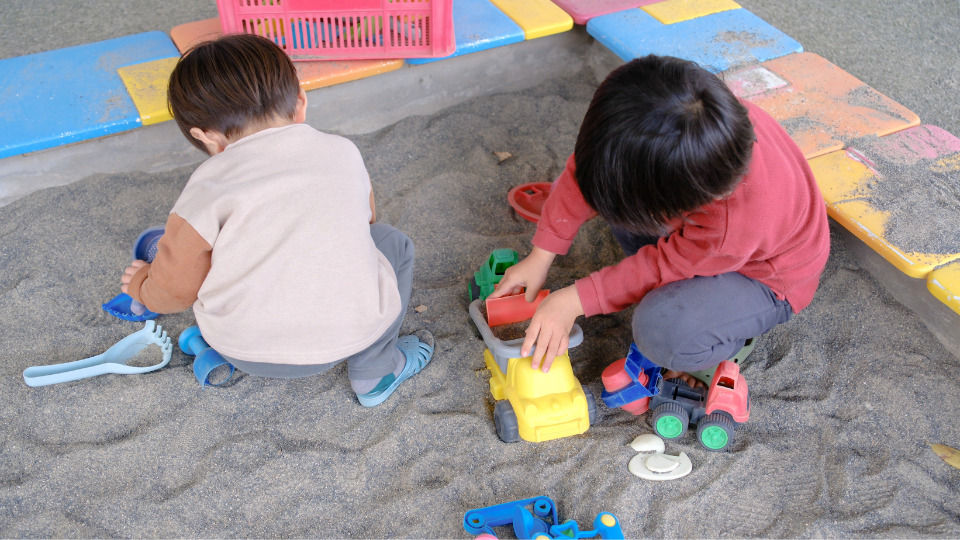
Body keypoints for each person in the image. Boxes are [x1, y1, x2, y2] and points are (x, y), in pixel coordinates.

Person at [120, 34, 433, 406]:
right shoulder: (343, 152)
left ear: (206, 138)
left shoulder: (205, 188)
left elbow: (175, 291)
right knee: (391, 242)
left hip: (239, 346)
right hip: (346, 336)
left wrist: (142, 285)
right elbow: (363, 227)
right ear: (300, 105)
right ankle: (375, 370)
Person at [489, 55, 830, 385]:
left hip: (767, 278)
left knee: (662, 331)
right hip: (712, 237)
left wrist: (572, 300)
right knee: (613, 186)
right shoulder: (694, 119)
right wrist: (542, 253)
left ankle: (716, 345)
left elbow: (665, 265)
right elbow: (589, 169)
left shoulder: (734, 221)